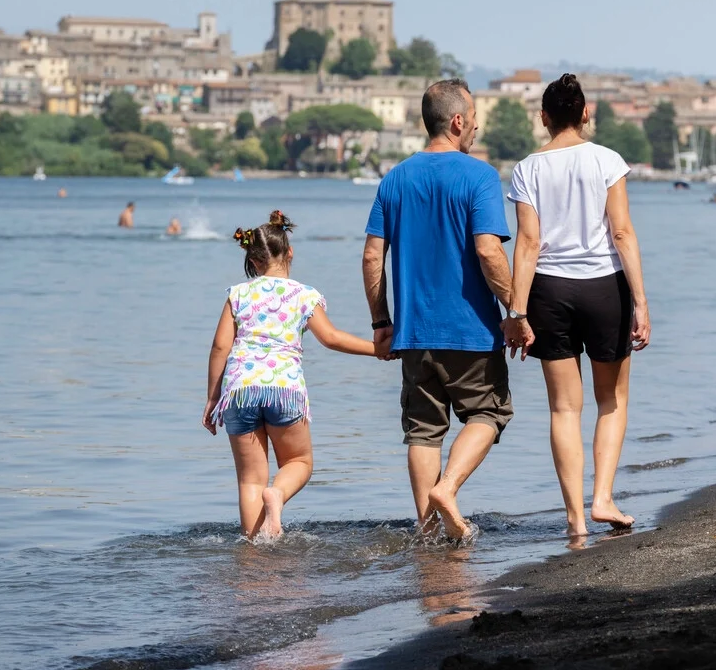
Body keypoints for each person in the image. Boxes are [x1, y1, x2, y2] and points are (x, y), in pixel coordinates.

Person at [363, 79, 518, 543]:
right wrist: (517, 309)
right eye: (472, 118)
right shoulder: (480, 176)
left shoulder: (395, 178)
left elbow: (373, 256)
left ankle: (427, 530)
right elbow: (489, 252)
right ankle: (447, 490)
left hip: (413, 333)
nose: (476, 126)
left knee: (423, 432)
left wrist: (381, 322)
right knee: (489, 414)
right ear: (456, 122)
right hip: (470, 330)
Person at [504, 74, 651, 538]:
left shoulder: (527, 168)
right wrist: (642, 303)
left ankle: (574, 520)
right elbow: (622, 233)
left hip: (549, 292)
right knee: (612, 399)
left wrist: (516, 311)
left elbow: (528, 243)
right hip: (605, 288)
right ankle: (602, 497)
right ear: (584, 112)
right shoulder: (607, 160)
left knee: (564, 409)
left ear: (544, 118)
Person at [202, 211, 377, 539]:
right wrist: (378, 349)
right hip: (284, 389)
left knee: (250, 480)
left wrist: (213, 397)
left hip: (240, 390)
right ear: (289, 252)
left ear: (252, 261)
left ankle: (255, 555)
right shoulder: (304, 294)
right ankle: (277, 496)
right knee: (299, 462)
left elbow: (219, 348)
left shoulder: (238, 295)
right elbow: (332, 338)